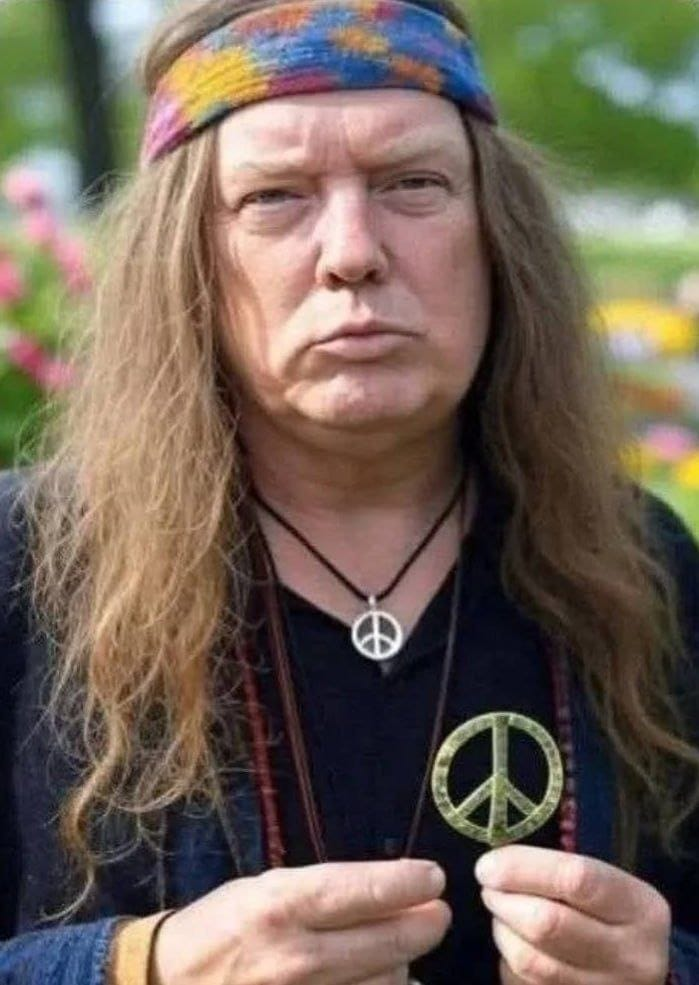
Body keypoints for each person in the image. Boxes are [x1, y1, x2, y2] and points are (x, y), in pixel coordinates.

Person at [1, 0, 698, 982]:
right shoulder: (26, 561)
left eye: (412, 183)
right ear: (187, 259)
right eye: (275, 196)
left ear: (499, 234)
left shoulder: (641, 565)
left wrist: (663, 967)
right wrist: (141, 965)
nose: (353, 252)